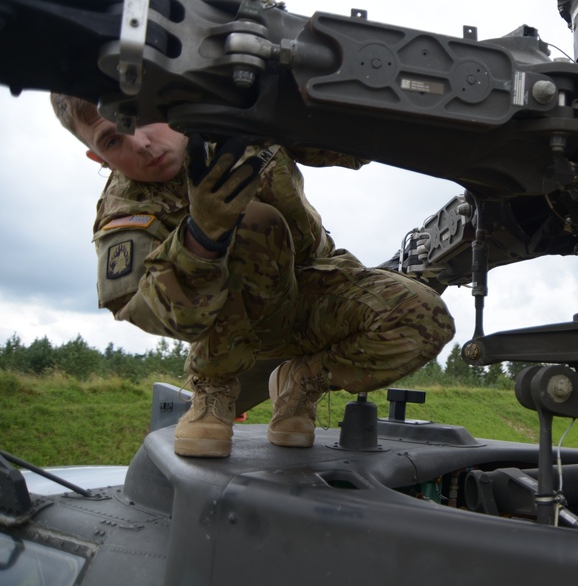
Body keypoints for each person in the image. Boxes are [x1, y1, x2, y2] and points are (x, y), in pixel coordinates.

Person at [50, 94, 455, 458]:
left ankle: (301, 382)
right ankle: (215, 391)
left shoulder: (235, 117)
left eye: (140, 115)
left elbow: (348, 140)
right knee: (251, 223)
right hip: (239, 325)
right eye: (112, 140)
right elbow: (151, 311)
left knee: (424, 317)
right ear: (97, 159)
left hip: (318, 290)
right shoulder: (126, 214)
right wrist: (200, 237)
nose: (140, 143)